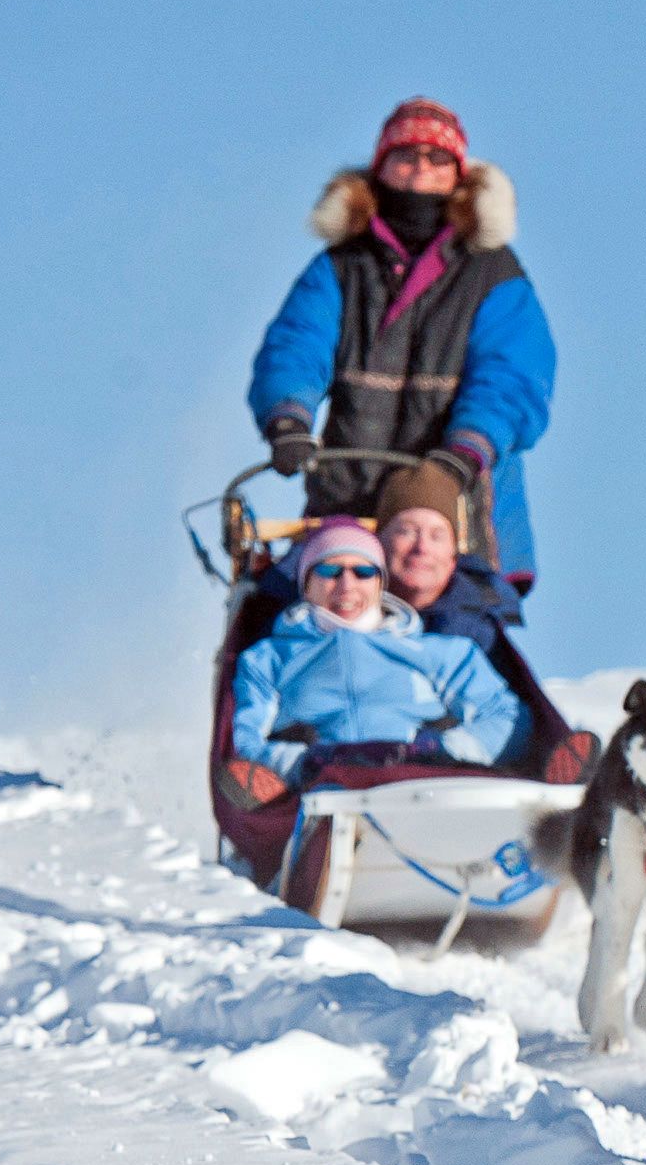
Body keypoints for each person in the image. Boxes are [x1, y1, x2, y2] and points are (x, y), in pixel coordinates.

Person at [246, 98, 558, 595]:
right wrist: (289, 419)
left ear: (458, 175)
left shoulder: (493, 273)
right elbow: (297, 345)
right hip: (350, 498)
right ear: (381, 167)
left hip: (460, 505)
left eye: (436, 159)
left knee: (462, 632)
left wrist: (466, 451)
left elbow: (513, 376)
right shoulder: (342, 266)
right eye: (405, 156)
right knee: (298, 616)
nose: (419, 170)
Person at [218, 521, 529, 810]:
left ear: (380, 584)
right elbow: (242, 741)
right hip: (318, 794)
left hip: (423, 785)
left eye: (363, 572)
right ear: (306, 584)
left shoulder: (441, 652)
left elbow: (507, 719)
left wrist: (444, 749)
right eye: (329, 570)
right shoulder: (267, 659)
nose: (347, 584)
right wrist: (300, 762)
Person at [371, 463, 523, 648]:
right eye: (406, 532)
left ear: (453, 556)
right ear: (378, 543)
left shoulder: (485, 641)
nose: (422, 547)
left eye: (437, 536)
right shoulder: (339, 619)